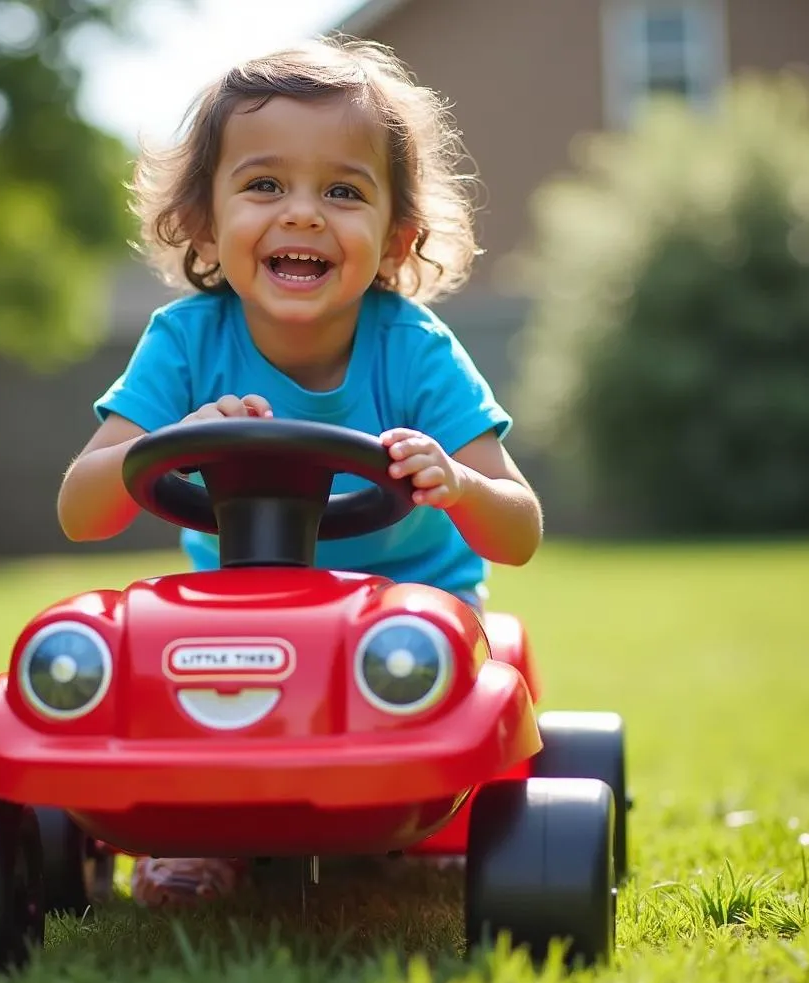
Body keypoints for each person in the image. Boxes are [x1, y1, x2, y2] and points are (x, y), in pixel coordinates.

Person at [57, 35, 543, 906]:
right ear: (204, 218)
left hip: (406, 623)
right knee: (157, 661)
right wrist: (169, 439)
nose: (305, 214)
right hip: (234, 618)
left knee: (409, 666)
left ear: (397, 235)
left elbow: (521, 527)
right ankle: (197, 829)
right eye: (265, 185)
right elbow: (79, 509)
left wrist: (458, 484)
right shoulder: (185, 341)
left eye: (344, 191)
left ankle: (389, 812)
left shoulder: (415, 351)